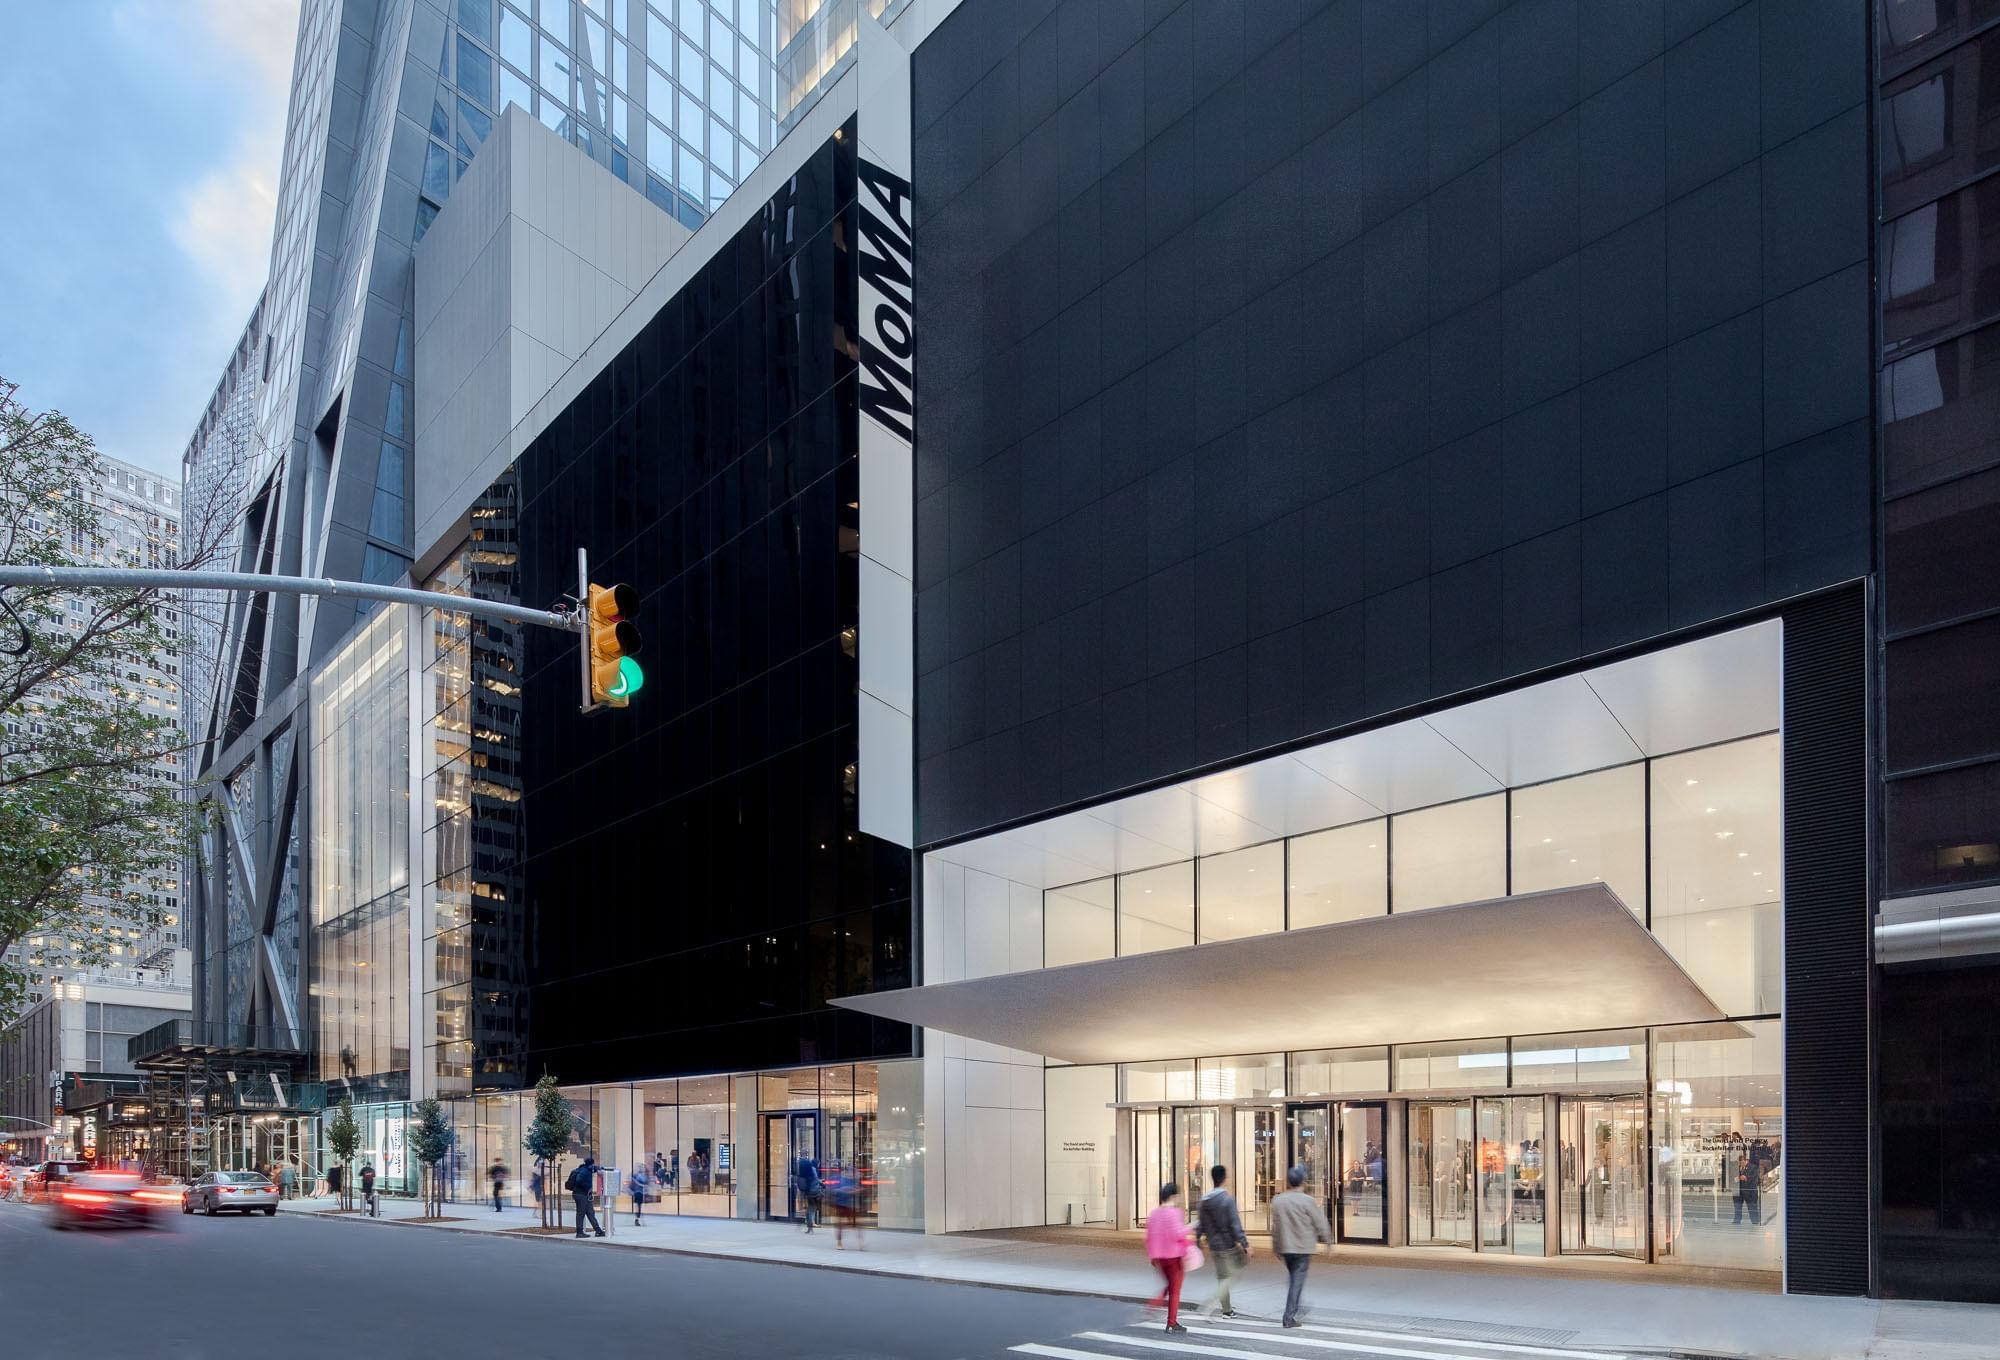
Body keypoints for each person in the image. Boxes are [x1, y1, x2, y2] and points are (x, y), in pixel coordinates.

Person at [1270, 1165, 1333, 1329]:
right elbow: (1320, 1222)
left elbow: (1275, 1227)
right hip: (1302, 1247)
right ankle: (1289, 1316)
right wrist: (1328, 1242)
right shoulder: (1307, 1201)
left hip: (1285, 1247)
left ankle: (1296, 1306)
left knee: (1293, 1279)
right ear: (1303, 1181)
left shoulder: (1278, 1200)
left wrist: (1275, 1247)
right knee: (1296, 1281)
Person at [1196, 1163, 1250, 1319]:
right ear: (1224, 1179)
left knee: (1222, 1277)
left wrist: (1198, 1241)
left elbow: (1201, 1224)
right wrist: (1245, 1244)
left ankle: (1227, 1310)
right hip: (1227, 1244)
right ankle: (1211, 1301)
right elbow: (1235, 1224)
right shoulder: (1227, 1200)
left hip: (1213, 1245)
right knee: (1233, 1276)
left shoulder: (1205, 1201)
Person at [1144, 1182, 1193, 1334]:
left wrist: (1152, 1256)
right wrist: (1193, 1226)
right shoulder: (1175, 1213)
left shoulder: (1153, 1214)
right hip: (1175, 1257)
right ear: (1173, 1196)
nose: (1179, 1199)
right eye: (1178, 1196)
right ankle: (1171, 1322)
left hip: (1160, 1258)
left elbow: (1149, 1237)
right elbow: (1178, 1234)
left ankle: (1155, 1304)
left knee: (1170, 1285)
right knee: (1175, 1290)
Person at [568, 1155, 606, 1238]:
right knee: (581, 1213)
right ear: (592, 1164)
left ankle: (598, 1230)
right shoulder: (585, 1171)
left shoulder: (585, 1169)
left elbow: (594, 1168)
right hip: (581, 1194)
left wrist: (598, 1169)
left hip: (583, 1195)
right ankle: (579, 1232)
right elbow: (578, 1180)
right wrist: (587, 1188)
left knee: (590, 1212)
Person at [792, 1149, 822, 1233]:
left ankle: (808, 1226)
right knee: (811, 1208)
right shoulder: (812, 1172)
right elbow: (815, 1181)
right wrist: (822, 1184)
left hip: (805, 1191)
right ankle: (810, 1226)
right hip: (812, 1192)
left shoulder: (801, 1173)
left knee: (807, 1208)